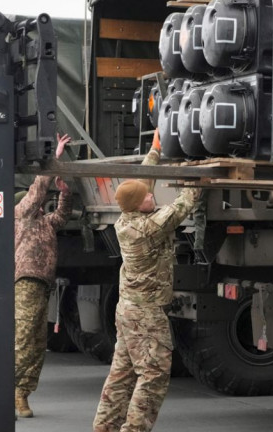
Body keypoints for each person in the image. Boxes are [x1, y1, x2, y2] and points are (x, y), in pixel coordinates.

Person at [93, 132, 202, 432]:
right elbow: (183, 205)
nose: (151, 196)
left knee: (122, 374)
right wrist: (196, 175)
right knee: (154, 374)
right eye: (147, 197)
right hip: (145, 315)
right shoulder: (148, 227)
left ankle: (104, 427)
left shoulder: (126, 219)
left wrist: (155, 150)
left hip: (128, 311)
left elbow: (143, 183)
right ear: (137, 205)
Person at [14, 133, 73, 418]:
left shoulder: (45, 223)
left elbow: (62, 215)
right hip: (26, 282)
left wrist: (65, 192)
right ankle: (8, 388)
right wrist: (54, 159)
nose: (39, 203)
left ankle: (22, 393)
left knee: (38, 344)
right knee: (24, 339)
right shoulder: (21, 215)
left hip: (42, 286)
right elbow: (37, 189)